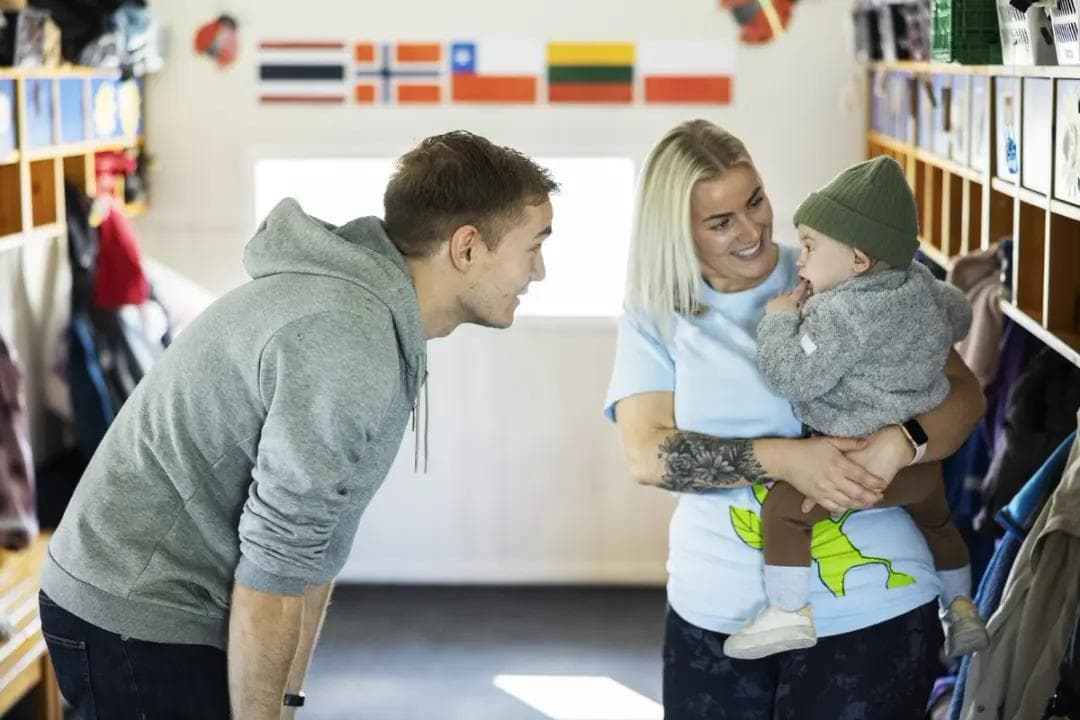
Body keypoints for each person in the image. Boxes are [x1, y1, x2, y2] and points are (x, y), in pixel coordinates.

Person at [39, 130, 557, 719]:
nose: (539, 271)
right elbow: (275, 569)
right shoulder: (348, 340)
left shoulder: (374, 319)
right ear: (467, 248)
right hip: (136, 609)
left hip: (152, 598)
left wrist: (285, 701)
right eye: (533, 246)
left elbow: (313, 552)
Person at [605, 119, 985, 719]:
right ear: (676, 231)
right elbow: (647, 455)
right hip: (716, 612)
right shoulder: (656, 314)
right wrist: (789, 460)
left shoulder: (842, 270)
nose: (753, 230)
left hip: (872, 610)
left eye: (755, 200)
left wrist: (901, 443)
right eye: (720, 222)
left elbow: (965, 395)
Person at [719, 155, 988, 661]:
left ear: (859, 262)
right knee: (938, 525)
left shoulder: (840, 315)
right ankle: (962, 608)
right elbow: (961, 312)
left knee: (784, 512)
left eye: (812, 247)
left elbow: (793, 374)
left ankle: (787, 614)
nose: (800, 260)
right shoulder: (922, 287)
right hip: (921, 469)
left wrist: (780, 321)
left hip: (855, 464)